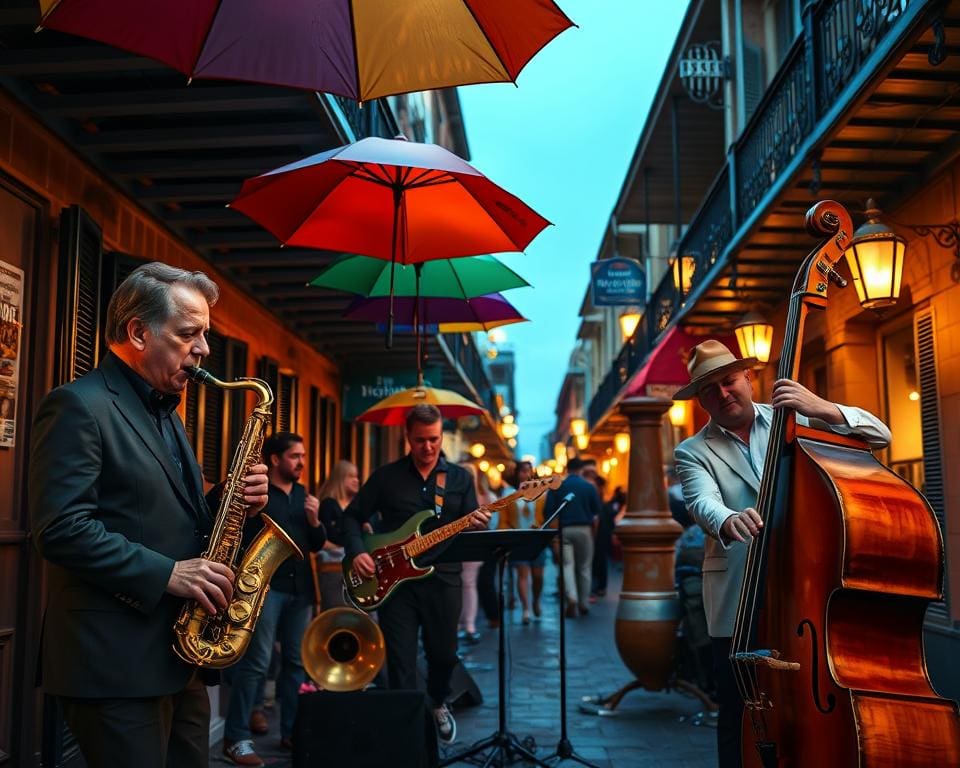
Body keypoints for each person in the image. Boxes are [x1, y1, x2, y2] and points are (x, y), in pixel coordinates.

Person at [29, 262, 270, 768]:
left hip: (177, 659)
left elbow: (167, 517)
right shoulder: (78, 405)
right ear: (138, 332)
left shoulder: (165, 410)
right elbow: (61, 528)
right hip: (114, 663)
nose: (204, 349)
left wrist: (231, 499)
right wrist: (168, 574)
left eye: (205, 334)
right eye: (189, 334)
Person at [672, 339, 890, 768]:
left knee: (812, 700)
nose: (723, 393)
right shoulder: (691, 450)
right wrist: (726, 518)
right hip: (741, 594)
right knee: (738, 709)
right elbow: (701, 501)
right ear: (700, 400)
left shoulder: (795, 418)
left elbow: (880, 436)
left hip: (809, 588)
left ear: (749, 378)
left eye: (729, 381)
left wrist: (822, 406)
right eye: (710, 389)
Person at [343, 404, 491, 744]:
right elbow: (351, 517)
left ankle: (438, 702)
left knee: (444, 654)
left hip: (444, 580)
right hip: (396, 585)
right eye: (421, 440)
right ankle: (407, 733)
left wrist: (480, 524)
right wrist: (358, 551)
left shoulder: (459, 479)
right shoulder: (385, 477)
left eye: (435, 439)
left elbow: (469, 529)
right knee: (401, 659)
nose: (428, 447)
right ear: (407, 437)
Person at [221, 432, 326, 766]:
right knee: (256, 663)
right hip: (268, 586)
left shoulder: (303, 494)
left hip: (301, 590)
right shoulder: (261, 495)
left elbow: (317, 543)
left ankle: (292, 731)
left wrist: (315, 521)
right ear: (275, 459)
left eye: (303, 456)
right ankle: (237, 737)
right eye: (295, 456)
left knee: (296, 663)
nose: (301, 462)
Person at [543, 456, 601, 618]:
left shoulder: (558, 486)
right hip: (584, 529)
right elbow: (596, 512)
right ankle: (584, 602)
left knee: (567, 565)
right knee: (584, 567)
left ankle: (572, 597)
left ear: (567, 469)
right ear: (581, 469)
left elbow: (548, 512)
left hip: (564, 529)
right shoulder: (589, 487)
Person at [315, 459, 361, 610]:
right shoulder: (329, 505)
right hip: (334, 569)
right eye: (351, 476)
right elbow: (321, 538)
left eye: (357, 476)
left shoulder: (358, 507)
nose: (357, 481)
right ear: (340, 478)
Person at [506, 460, 546, 624]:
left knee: (538, 576)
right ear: (517, 474)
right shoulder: (510, 495)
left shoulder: (541, 495)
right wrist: (506, 536)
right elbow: (504, 519)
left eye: (529, 471)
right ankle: (526, 609)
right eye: (522, 471)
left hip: (536, 540)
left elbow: (545, 516)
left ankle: (536, 600)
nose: (526, 474)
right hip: (518, 539)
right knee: (522, 574)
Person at [458, 463, 485, 643]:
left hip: (469, 545)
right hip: (470, 545)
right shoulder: (483, 496)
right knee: (467, 585)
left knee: (465, 584)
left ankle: (465, 625)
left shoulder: (479, 497)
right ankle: (467, 625)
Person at [590, 478, 624, 602]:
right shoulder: (602, 499)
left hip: (601, 532)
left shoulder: (603, 500)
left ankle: (598, 587)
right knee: (600, 560)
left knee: (599, 559)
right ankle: (599, 587)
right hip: (601, 532)